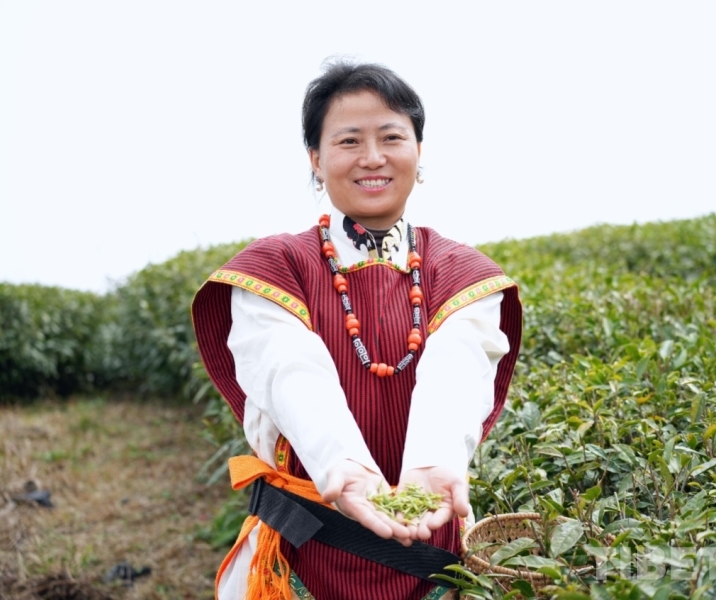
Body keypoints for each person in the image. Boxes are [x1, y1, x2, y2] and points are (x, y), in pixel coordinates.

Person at [192, 60, 522, 600]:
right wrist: (342, 466)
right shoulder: (274, 268)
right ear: (316, 159)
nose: (372, 158)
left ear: (418, 150)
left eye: (391, 137)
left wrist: (434, 462)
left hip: (431, 551)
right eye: (349, 141)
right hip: (307, 543)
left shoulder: (462, 272)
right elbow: (287, 367)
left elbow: (459, 366)